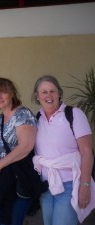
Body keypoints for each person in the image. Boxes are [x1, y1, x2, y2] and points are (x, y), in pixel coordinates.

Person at [32, 75, 95, 225]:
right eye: (44, 92)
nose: (48, 95)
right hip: (45, 185)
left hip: (69, 184)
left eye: (52, 91)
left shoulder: (74, 115)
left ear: (59, 93)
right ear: (37, 96)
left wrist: (85, 186)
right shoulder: (37, 118)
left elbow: (87, 152)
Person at [0, 77, 38, 225]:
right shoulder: (1, 117)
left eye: (3, 92)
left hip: (16, 179)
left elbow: (25, 147)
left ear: (12, 94)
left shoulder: (22, 114)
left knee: (13, 220)